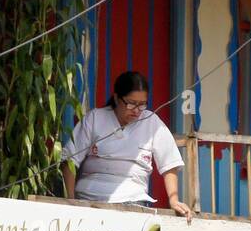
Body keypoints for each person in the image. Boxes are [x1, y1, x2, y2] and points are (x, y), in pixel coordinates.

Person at [61, 71, 192, 216]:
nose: (137, 111)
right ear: (117, 98)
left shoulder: (151, 121)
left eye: (142, 105)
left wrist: (174, 200)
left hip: (133, 199)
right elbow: (70, 161)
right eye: (131, 104)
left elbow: (169, 162)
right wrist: (70, 201)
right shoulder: (95, 118)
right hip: (89, 197)